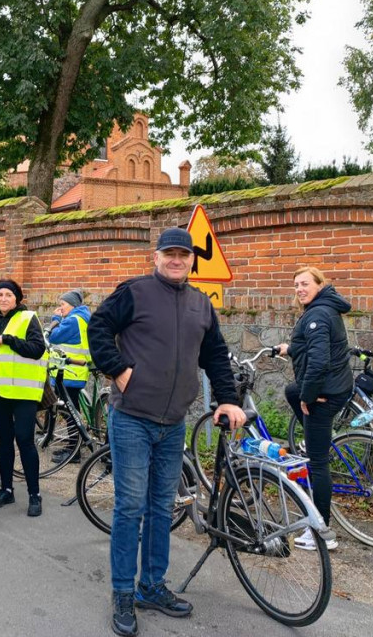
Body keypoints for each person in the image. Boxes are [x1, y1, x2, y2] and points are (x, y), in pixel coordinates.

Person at [89, 227, 245, 637]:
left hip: (172, 422)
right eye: (169, 253)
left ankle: (151, 586)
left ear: (193, 259)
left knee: (162, 508)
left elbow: (214, 355)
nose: (177, 260)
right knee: (130, 507)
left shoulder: (200, 304)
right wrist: (118, 369)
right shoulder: (135, 292)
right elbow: (98, 328)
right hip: (132, 418)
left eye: (184, 254)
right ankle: (123, 591)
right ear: (155, 256)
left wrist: (227, 399)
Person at [278, 266, 353, 552]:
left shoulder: (318, 315)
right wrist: (290, 348)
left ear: (320, 285)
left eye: (305, 283)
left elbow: (319, 362)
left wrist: (308, 398)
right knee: (290, 390)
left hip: (324, 393)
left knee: (317, 463)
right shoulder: (323, 309)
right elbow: (314, 348)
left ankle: (320, 532)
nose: (299, 289)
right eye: (296, 284)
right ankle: (316, 436)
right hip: (336, 386)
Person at [0, 279, 47, 518]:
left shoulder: (28, 317)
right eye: (0, 295)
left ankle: (34, 494)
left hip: (24, 391)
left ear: (17, 298)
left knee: (25, 439)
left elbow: (37, 349)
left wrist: (8, 340)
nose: (3, 299)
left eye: (8, 294)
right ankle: (6, 489)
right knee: (5, 441)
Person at [48, 288, 91, 464]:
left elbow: (54, 337)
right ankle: (74, 446)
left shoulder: (73, 320)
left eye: (63, 304)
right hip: (74, 372)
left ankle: (74, 452)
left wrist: (55, 319)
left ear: (72, 305)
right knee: (71, 410)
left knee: (70, 412)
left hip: (70, 373)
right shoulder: (81, 318)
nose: (61, 308)